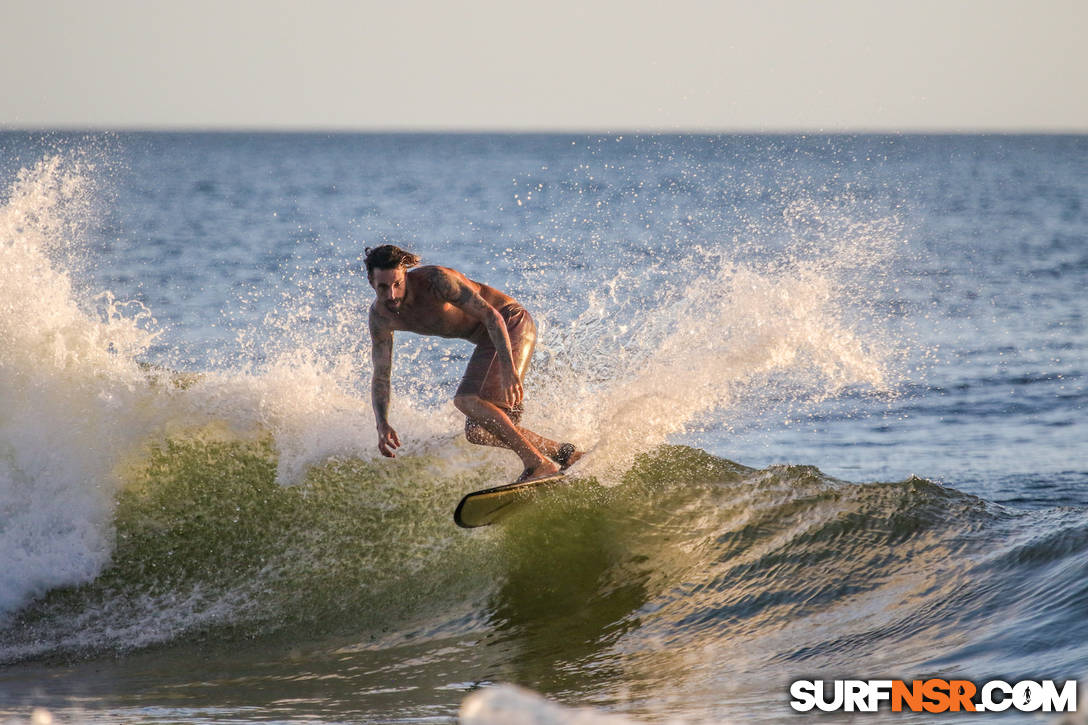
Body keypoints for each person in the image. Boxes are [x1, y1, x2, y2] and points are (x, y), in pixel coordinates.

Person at [365, 244, 581, 482]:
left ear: (405, 275)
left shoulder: (436, 281)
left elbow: (492, 316)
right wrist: (382, 423)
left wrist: (508, 369)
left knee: (466, 400)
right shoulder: (380, 318)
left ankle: (537, 463)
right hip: (489, 342)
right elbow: (382, 375)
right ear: (371, 282)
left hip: (509, 324)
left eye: (397, 284)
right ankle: (566, 454)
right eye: (383, 287)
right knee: (478, 432)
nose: (391, 295)